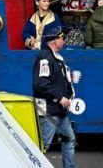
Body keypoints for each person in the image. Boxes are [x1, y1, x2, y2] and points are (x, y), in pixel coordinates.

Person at [33, 25, 76, 168]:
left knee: (69, 140)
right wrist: (60, 97)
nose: (63, 41)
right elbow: (41, 84)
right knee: (43, 145)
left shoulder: (57, 58)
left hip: (59, 110)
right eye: (61, 38)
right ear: (54, 41)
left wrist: (67, 96)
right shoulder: (45, 57)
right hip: (49, 110)